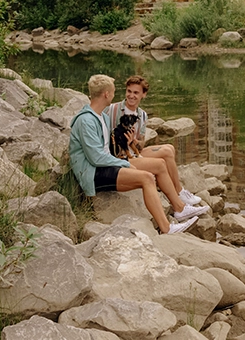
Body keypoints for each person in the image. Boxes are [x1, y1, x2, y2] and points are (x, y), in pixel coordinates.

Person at [69, 74, 208, 234]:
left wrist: (128, 149)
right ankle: (167, 228)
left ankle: (179, 208)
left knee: (157, 166)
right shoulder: (86, 120)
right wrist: (126, 164)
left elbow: (108, 148)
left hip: (106, 165)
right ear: (106, 94)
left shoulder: (103, 117)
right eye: (113, 92)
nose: (116, 95)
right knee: (147, 177)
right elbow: (95, 158)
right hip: (92, 173)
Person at [105, 75, 204, 209]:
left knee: (169, 149)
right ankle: (178, 198)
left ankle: (179, 192)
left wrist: (133, 140)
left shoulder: (142, 115)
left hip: (133, 152)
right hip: (119, 156)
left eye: (136, 92)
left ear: (143, 95)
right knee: (161, 161)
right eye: (129, 91)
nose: (131, 96)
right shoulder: (112, 109)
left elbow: (140, 145)